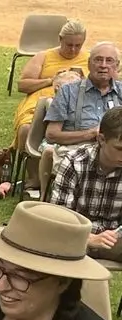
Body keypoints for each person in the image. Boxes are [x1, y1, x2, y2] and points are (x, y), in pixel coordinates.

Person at [49, 107, 122, 262]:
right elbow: (59, 218)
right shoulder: (74, 163)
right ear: (101, 139)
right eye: (119, 149)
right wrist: (90, 239)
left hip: (114, 240)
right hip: (73, 237)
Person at [13, 19, 86, 154]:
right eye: (69, 45)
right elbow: (22, 85)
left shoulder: (90, 58)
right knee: (26, 129)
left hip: (77, 105)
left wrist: (82, 81)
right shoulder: (44, 56)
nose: (73, 49)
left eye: (78, 45)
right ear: (60, 39)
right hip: (40, 102)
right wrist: (51, 80)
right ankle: (32, 173)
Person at [45, 43, 122, 148]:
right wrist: (90, 134)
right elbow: (51, 135)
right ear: (89, 64)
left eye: (109, 60)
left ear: (117, 66)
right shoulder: (68, 91)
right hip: (76, 152)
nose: (103, 65)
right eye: (98, 60)